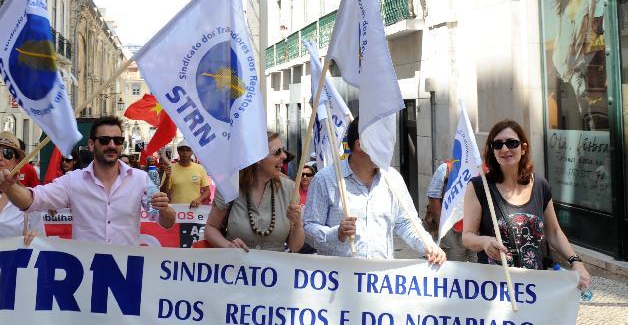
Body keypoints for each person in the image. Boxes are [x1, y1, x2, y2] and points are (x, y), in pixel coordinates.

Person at [0, 117, 176, 245]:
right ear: (91, 144)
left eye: (118, 140)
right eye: (105, 140)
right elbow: (32, 200)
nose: (112, 145)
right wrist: (10, 186)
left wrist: (164, 208)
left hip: (126, 275)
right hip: (86, 277)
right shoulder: (74, 181)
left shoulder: (141, 179)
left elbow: (166, 222)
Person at [461, 120, 591, 290]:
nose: (505, 149)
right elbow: (467, 236)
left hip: (534, 286)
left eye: (512, 143)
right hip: (495, 287)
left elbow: (553, 231)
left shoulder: (540, 185)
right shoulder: (479, 186)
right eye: (498, 144)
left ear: (523, 148)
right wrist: (485, 242)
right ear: (492, 151)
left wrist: (576, 262)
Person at [303, 118, 445, 264]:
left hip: (379, 281)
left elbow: (406, 223)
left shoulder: (393, 178)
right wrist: (336, 233)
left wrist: (429, 246)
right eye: (381, 143)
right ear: (360, 145)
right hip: (339, 280)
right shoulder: (325, 180)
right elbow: (308, 229)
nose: (388, 148)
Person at [204, 133, 303, 252]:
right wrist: (228, 246)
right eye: (277, 152)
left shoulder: (289, 188)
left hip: (275, 269)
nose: (284, 156)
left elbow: (295, 247)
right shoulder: (229, 186)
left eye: (283, 151)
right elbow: (210, 228)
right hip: (236, 267)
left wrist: (297, 224)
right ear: (258, 159)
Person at [552, 0, 601, 130]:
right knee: (564, 119)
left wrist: (584, 61)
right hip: (558, 67)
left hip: (576, 68)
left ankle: (592, 151)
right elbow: (558, 34)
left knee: (586, 116)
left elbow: (589, 34)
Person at [426, 160, 475, 262]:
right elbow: (433, 195)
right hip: (452, 230)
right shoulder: (447, 168)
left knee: (479, 269)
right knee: (454, 267)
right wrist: (444, 226)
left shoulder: (481, 167)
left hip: (476, 229)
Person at [167, 143, 210, 208]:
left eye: (188, 150)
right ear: (178, 151)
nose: (185, 153)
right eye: (182, 150)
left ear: (192, 152)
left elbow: (207, 191)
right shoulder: (170, 169)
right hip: (176, 210)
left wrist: (199, 199)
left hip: (195, 210)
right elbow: (164, 192)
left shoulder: (200, 168)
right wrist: (167, 178)